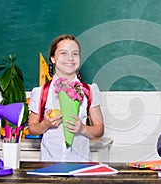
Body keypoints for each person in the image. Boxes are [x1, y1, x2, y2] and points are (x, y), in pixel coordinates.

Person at [28, 34, 104, 162]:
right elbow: (33, 129)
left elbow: (99, 129)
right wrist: (45, 124)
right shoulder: (40, 92)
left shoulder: (89, 91)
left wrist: (82, 129)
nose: (70, 58)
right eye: (63, 53)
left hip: (81, 164)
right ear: (53, 58)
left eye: (75, 54)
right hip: (49, 164)